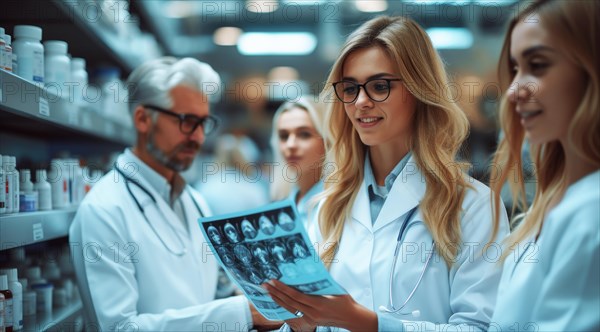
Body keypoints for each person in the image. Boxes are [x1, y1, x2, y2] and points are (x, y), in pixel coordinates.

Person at [263, 16, 510, 331]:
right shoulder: (328, 206)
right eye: (350, 88)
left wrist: (367, 322)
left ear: (420, 90)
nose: (361, 102)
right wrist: (302, 323)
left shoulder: (473, 206)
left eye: (379, 86)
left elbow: (479, 327)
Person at [69, 57, 277, 330]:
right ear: (143, 119)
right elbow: (120, 328)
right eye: (187, 121)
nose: (199, 137)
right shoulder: (105, 209)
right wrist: (241, 314)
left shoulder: (195, 202)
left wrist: (267, 299)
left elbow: (218, 291)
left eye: (204, 123)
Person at [489, 1, 599, 330]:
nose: (513, 91)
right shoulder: (551, 199)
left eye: (537, 65)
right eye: (515, 69)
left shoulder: (590, 212)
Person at [270, 96, 328, 227]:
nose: (290, 145)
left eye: (304, 134)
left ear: (327, 140)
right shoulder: (280, 206)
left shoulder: (340, 205)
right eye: (284, 136)